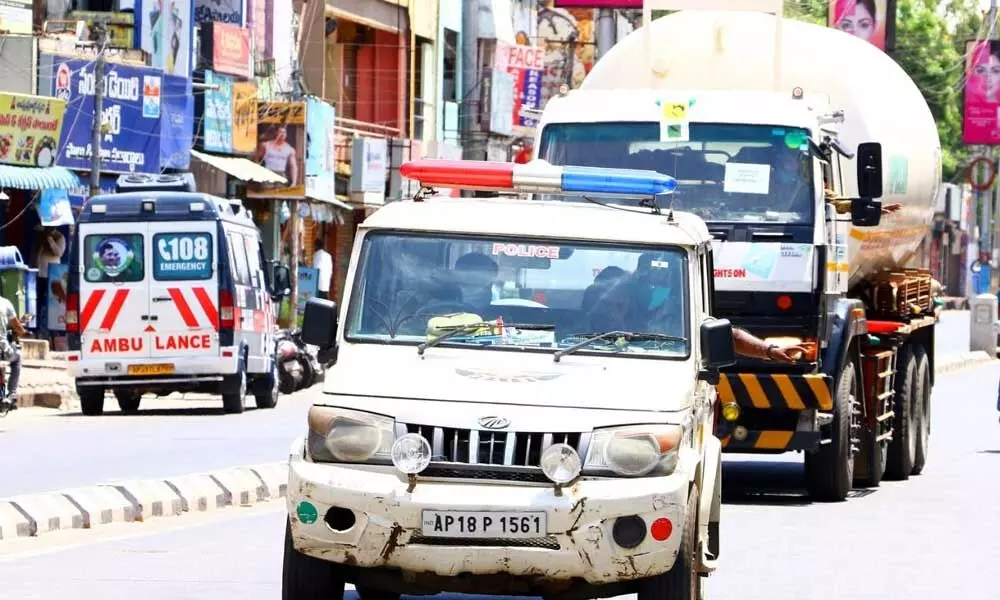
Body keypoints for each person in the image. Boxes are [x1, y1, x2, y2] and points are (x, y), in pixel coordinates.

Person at [0, 294, 26, 406]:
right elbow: (18, 328)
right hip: (2, 348)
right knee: (17, 358)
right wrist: (22, 332)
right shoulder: (5, 303)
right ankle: (12, 394)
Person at [312, 233, 333, 300]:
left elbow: (314, 268)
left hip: (317, 284)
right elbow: (330, 270)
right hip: (326, 283)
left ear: (316, 246)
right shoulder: (328, 256)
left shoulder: (315, 255)